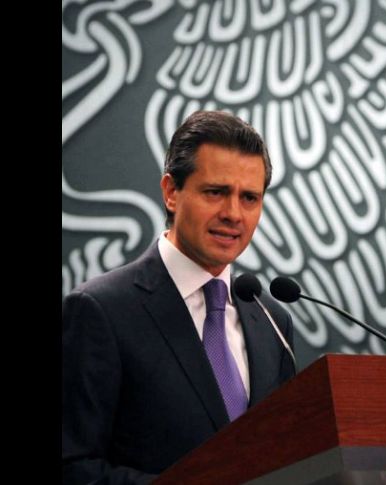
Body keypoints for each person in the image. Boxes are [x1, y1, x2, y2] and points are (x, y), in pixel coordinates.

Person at [62, 111, 296, 484]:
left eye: (249, 198)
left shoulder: (272, 321)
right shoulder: (100, 311)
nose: (233, 214)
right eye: (216, 192)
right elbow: (73, 468)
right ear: (172, 192)